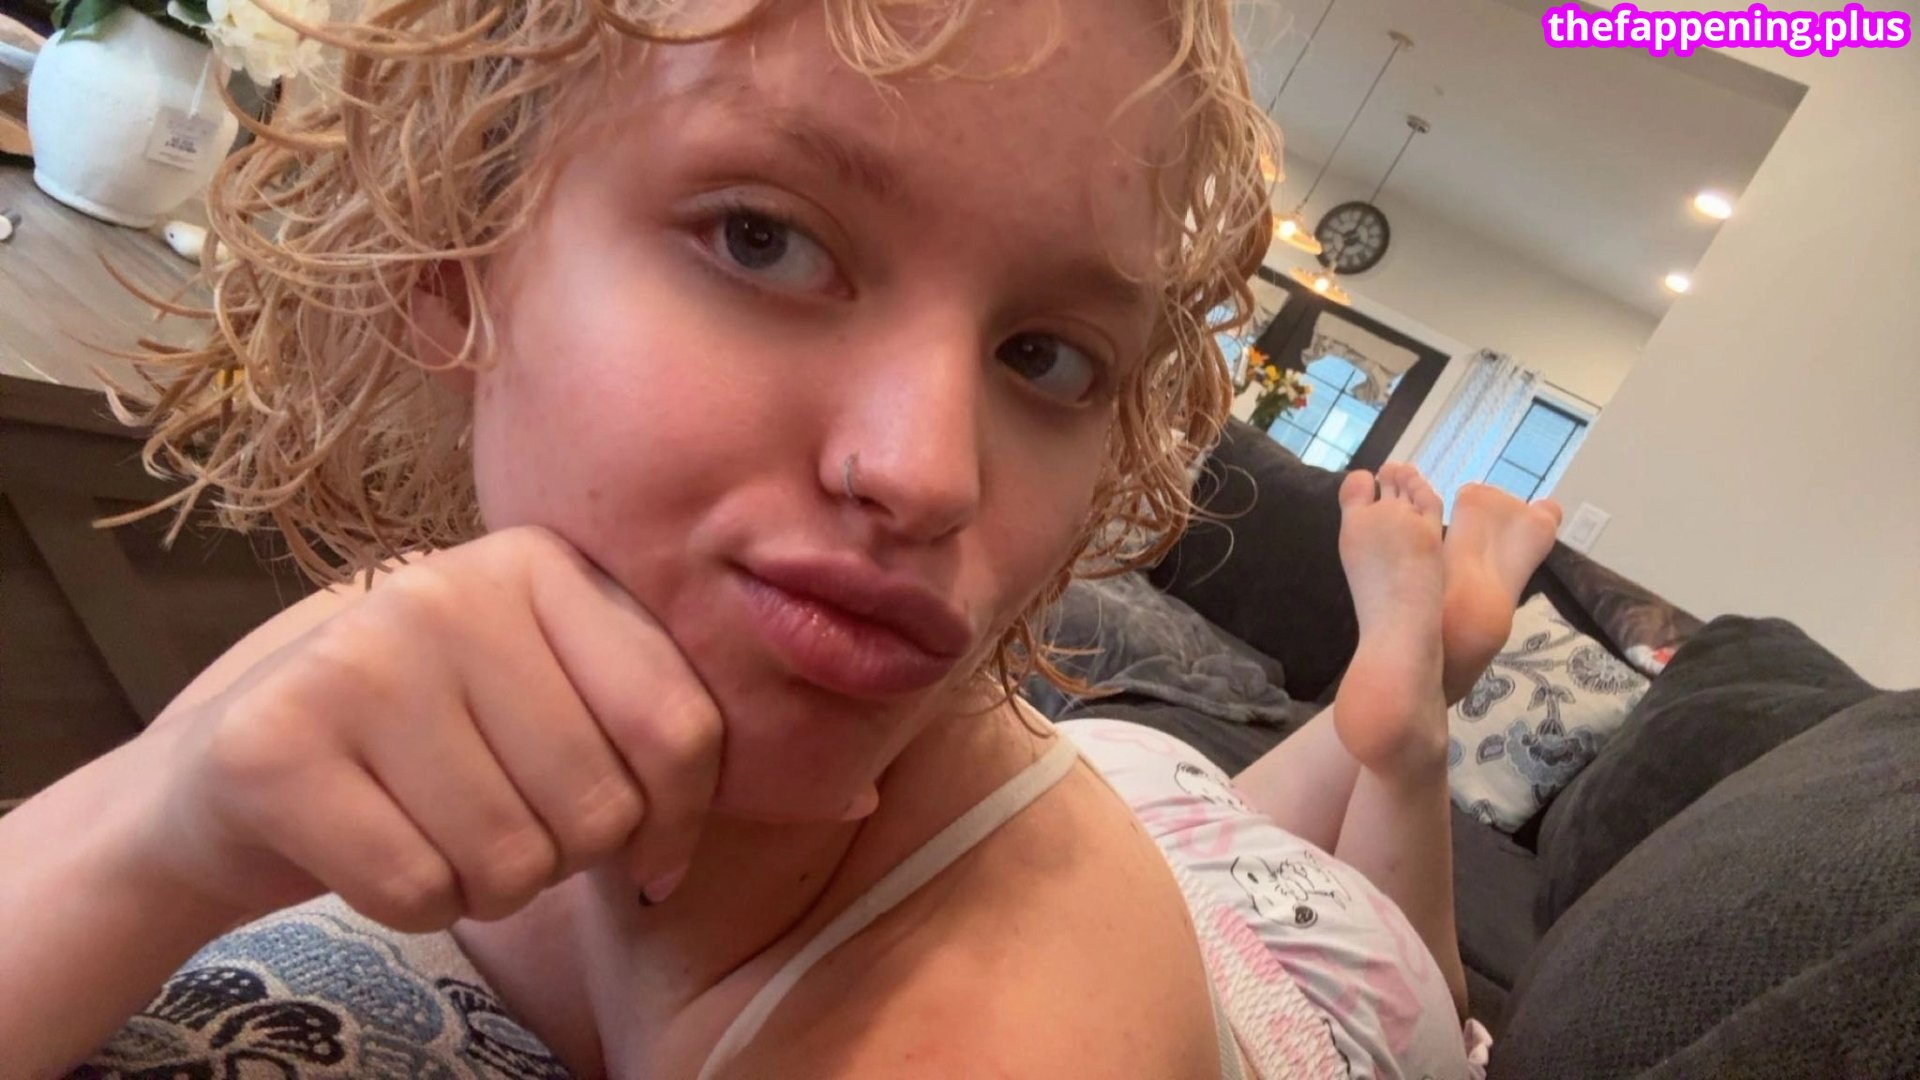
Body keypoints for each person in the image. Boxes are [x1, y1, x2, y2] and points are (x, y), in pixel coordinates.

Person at [0, 0, 1561, 1075]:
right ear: (453, 264)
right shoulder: (401, 632)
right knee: (1203, 811)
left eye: (1043, 356)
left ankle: (1405, 721)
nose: (927, 473)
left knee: (1407, 973)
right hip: (1143, 802)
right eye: (763, 237)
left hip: (1307, 986)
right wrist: (168, 831)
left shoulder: (1008, 1030)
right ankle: (1398, 694)